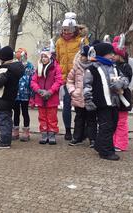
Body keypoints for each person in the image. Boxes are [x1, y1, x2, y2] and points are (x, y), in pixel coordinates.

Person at [84, 42, 129, 161]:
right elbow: (87, 86)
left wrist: (121, 83)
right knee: (106, 127)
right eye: (110, 54)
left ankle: (100, 144)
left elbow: (125, 79)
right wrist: (88, 101)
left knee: (113, 125)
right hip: (101, 103)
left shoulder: (114, 67)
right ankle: (106, 151)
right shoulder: (92, 69)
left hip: (114, 102)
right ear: (102, 55)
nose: (113, 56)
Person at [56, 12, 88, 141]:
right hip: (66, 78)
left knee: (81, 105)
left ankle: (82, 130)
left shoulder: (82, 40)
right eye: (64, 30)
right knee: (67, 104)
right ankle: (68, 130)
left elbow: (87, 57)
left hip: (79, 77)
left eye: (68, 30)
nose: (66, 33)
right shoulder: (59, 42)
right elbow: (58, 60)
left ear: (74, 29)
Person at [66, 45, 97, 147]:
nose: (82, 57)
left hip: (90, 98)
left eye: (84, 55)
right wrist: (72, 91)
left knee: (91, 119)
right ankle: (77, 137)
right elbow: (69, 81)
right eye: (81, 55)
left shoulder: (94, 67)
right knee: (79, 119)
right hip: (78, 97)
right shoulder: (76, 67)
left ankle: (92, 139)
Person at [31, 47, 63, 145]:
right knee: (42, 117)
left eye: (45, 57)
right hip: (41, 97)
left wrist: (50, 91)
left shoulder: (55, 67)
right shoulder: (39, 68)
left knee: (52, 117)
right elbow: (33, 81)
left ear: (49, 57)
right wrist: (39, 90)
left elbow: (59, 81)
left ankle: (52, 133)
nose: (44, 59)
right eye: (42, 57)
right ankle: (44, 133)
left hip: (51, 97)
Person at [112, 35, 133, 152]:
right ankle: (114, 141)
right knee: (114, 120)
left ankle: (121, 143)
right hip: (114, 97)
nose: (112, 56)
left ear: (120, 55)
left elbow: (126, 80)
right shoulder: (112, 65)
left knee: (121, 122)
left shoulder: (126, 67)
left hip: (123, 97)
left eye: (114, 54)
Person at [12, 48, 35, 142]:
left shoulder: (30, 66)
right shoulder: (15, 65)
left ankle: (26, 131)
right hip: (16, 93)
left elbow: (32, 80)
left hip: (25, 93)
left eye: (22, 55)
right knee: (16, 112)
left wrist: (32, 95)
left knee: (25, 112)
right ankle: (15, 130)